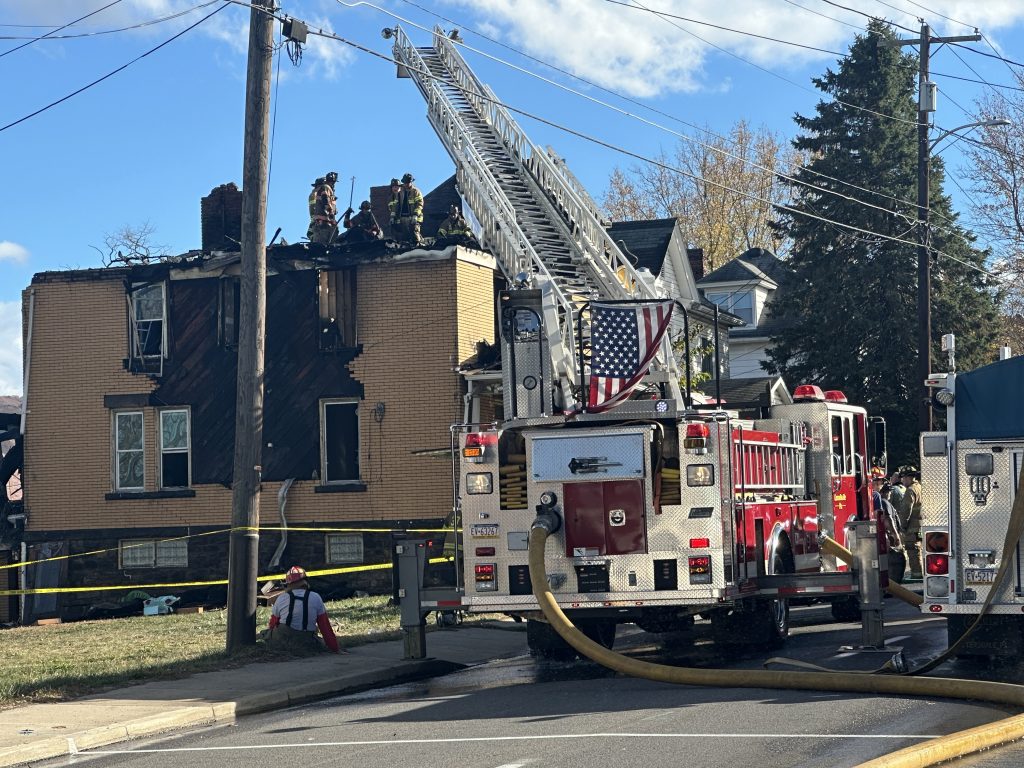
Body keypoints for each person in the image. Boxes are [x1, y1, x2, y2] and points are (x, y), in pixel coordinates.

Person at [266, 566, 341, 653]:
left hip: (283, 640)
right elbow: (325, 627)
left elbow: (273, 623)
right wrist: (335, 649)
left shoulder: (281, 598)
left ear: (288, 584)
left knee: (265, 633)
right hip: (307, 641)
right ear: (305, 581)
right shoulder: (316, 597)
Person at [899, 468, 924, 580]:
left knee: (913, 551)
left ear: (908, 477)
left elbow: (905, 511)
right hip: (920, 526)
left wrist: (901, 526)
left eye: (903, 478)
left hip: (912, 528)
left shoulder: (910, 491)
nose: (902, 481)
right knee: (919, 549)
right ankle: (921, 572)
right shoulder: (920, 487)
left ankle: (916, 575)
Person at [389, 172, 423, 245]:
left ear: (411, 182)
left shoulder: (416, 191)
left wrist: (415, 215)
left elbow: (419, 204)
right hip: (403, 218)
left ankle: (418, 246)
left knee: (414, 232)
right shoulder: (400, 192)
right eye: (405, 182)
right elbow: (396, 205)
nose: (406, 184)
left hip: (413, 217)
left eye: (408, 182)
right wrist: (392, 216)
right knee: (405, 236)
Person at [307, 172, 339, 245]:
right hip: (323, 223)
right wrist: (331, 212)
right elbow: (325, 201)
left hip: (324, 223)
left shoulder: (322, 192)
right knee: (321, 246)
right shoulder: (325, 188)